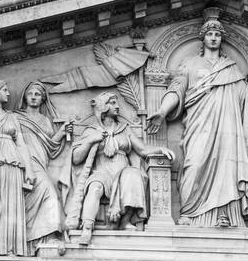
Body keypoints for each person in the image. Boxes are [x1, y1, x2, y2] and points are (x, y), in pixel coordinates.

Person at [147, 17, 248, 228]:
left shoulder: (231, 68)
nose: (214, 38)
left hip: (227, 129)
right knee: (195, 163)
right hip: (199, 125)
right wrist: (162, 111)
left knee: (228, 166)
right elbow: (176, 90)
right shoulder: (190, 64)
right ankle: (189, 212)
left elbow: (246, 97)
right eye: (210, 34)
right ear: (203, 38)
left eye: (218, 34)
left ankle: (224, 214)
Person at [69, 90, 171, 246]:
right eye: (112, 103)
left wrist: (160, 149)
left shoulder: (125, 129)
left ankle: (124, 221)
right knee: (95, 187)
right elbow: (76, 158)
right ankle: (87, 228)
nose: (117, 106)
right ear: (103, 106)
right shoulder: (91, 131)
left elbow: (142, 150)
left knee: (134, 175)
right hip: (101, 172)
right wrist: (90, 141)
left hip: (123, 171)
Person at [15, 81, 70, 255]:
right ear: (24, 96)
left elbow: (50, 146)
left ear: (43, 98)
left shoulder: (46, 120)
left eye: (37, 94)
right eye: (30, 93)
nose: (33, 97)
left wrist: (62, 132)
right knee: (50, 194)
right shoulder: (16, 117)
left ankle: (41, 238)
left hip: (40, 163)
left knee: (47, 196)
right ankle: (50, 234)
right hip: (22, 163)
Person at [0, 79, 34, 257]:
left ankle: (12, 249)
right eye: (5, 90)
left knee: (12, 206)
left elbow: (21, 144)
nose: (9, 93)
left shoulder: (12, 117)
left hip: (13, 165)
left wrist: (29, 170)